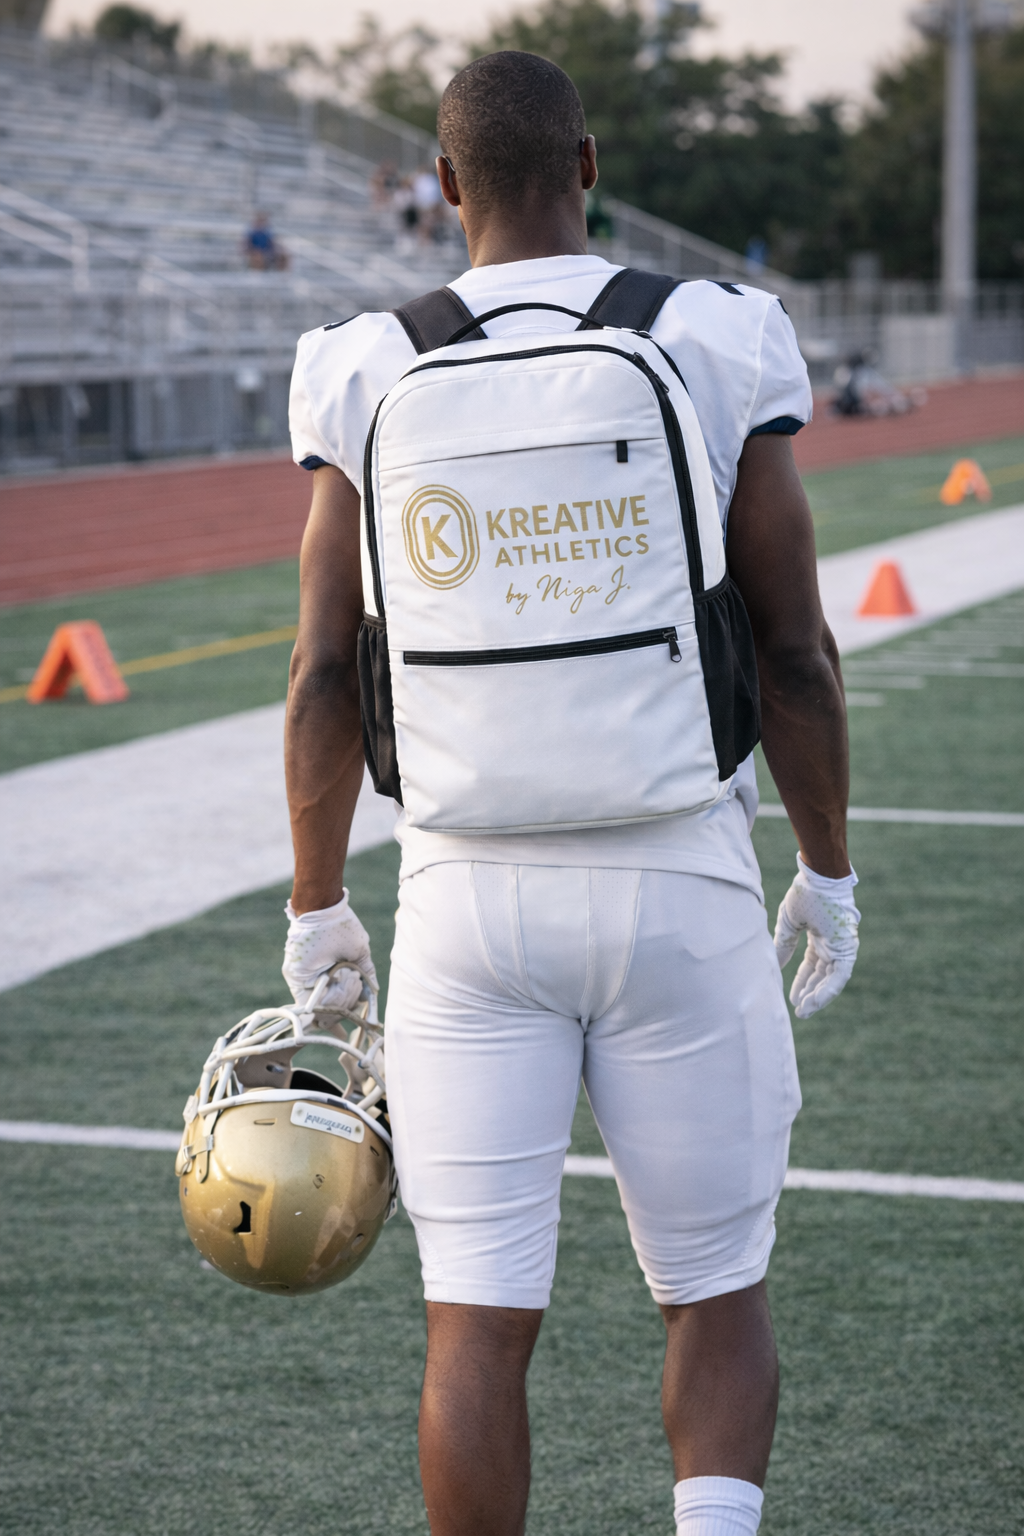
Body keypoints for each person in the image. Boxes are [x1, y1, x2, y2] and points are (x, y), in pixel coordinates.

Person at [284, 50, 860, 1536]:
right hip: (677, 871)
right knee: (716, 1293)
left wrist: (314, 904)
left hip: (465, 898)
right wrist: (831, 869)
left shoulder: (363, 360)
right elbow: (794, 654)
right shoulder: (720, 334)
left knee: (477, 1328)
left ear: (447, 184)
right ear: (591, 168)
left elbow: (324, 676)